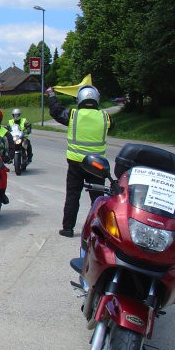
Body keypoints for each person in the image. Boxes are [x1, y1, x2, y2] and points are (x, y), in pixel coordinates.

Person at [47, 85, 113, 238]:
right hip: (97, 165)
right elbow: (112, 127)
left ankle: (68, 229)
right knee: (98, 198)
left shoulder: (73, 115)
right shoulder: (106, 117)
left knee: (72, 196)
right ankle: (99, 232)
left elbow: (56, 111)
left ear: (80, 98)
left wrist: (51, 95)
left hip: (76, 164)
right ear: (96, 99)